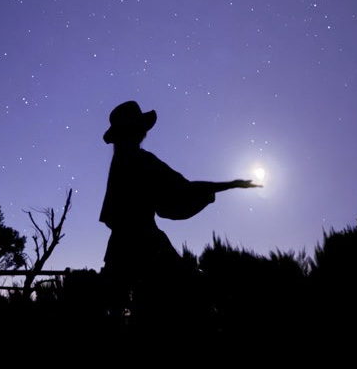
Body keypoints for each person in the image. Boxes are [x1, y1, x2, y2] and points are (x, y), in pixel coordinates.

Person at [99, 100, 259, 325]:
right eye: (140, 129)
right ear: (135, 130)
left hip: (120, 247)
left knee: (122, 308)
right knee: (187, 297)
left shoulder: (120, 161)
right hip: (146, 245)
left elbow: (113, 216)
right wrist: (229, 185)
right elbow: (182, 189)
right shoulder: (142, 161)